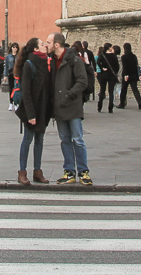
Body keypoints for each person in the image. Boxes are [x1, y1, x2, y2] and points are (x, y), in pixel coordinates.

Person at [48, 32, 91, 185]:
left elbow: (82, 81)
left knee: (78, 139)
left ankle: (83, 171)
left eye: (49, 42)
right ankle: (69, 171)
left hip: (72, 107)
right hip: (59, 108)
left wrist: (69, 94)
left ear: (56, 45)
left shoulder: (74, 60)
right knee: (65, 140)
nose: (47, 45)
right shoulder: (51, 61)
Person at [15, 37, 51, 185]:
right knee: (27, 140)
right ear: (36, 49)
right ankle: (22, 172)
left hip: (43, 109)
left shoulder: (47, 62)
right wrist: (30, 114)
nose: (45, 47)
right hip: (31, 110)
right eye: (42, 45)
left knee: (40, 141)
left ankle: (37, 171)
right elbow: (26, 92)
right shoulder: (29, 64)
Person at [95, 42, 119, 113]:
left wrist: (102, 68)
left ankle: (100, 106)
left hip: (104, 74)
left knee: (102, 90)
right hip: (111, 75)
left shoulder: (102, 55)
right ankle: (110, 107)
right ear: (109, 48)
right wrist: (114, 72)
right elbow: (117, 66)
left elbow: (98, 62)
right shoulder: (114, 56)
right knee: (111, 91)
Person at [119, 42, 141, 110]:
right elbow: (136, 66)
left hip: (127, 75)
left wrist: (126, 74)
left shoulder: (123, 57)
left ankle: (122, 103)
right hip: (134, 75)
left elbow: (125, 66)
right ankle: (140, 102)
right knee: (135, 89)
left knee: (124, 89)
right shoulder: (134, 56)